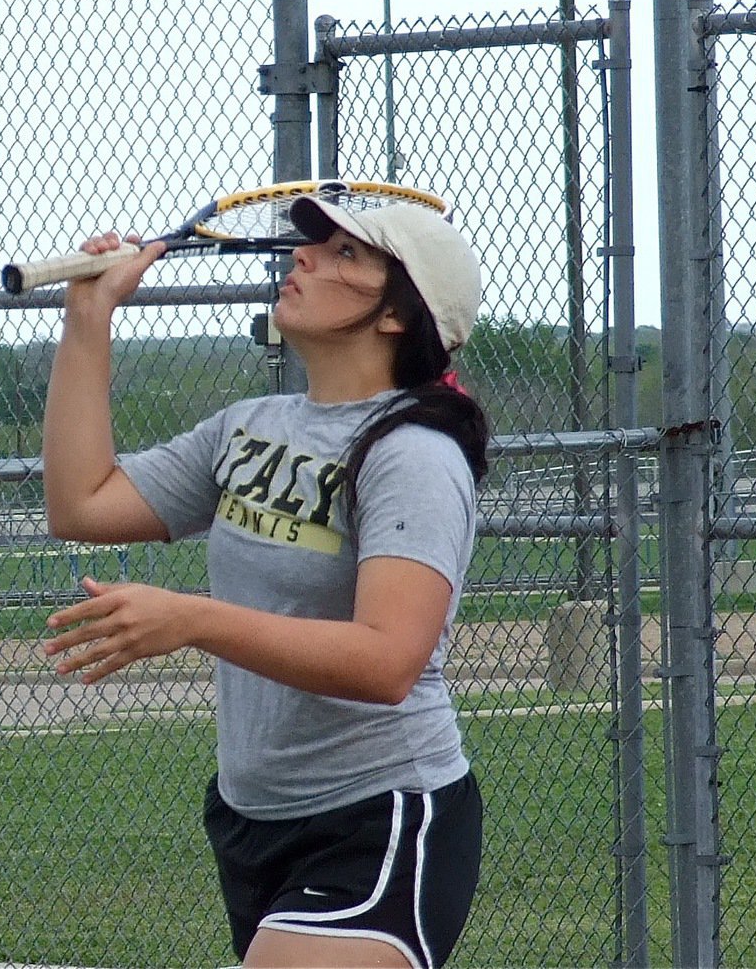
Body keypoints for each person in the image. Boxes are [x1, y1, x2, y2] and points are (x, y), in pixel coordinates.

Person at [41, 194, 488, 969]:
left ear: (396, 314)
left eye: (347, 254)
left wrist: (192, 619)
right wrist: (89, 321)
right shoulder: (249, 426)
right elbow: (81, 500)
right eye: (312, 243)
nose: (303, 257)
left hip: (378, 817)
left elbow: (388, 661)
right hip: (254, 819)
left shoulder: (414, 454)